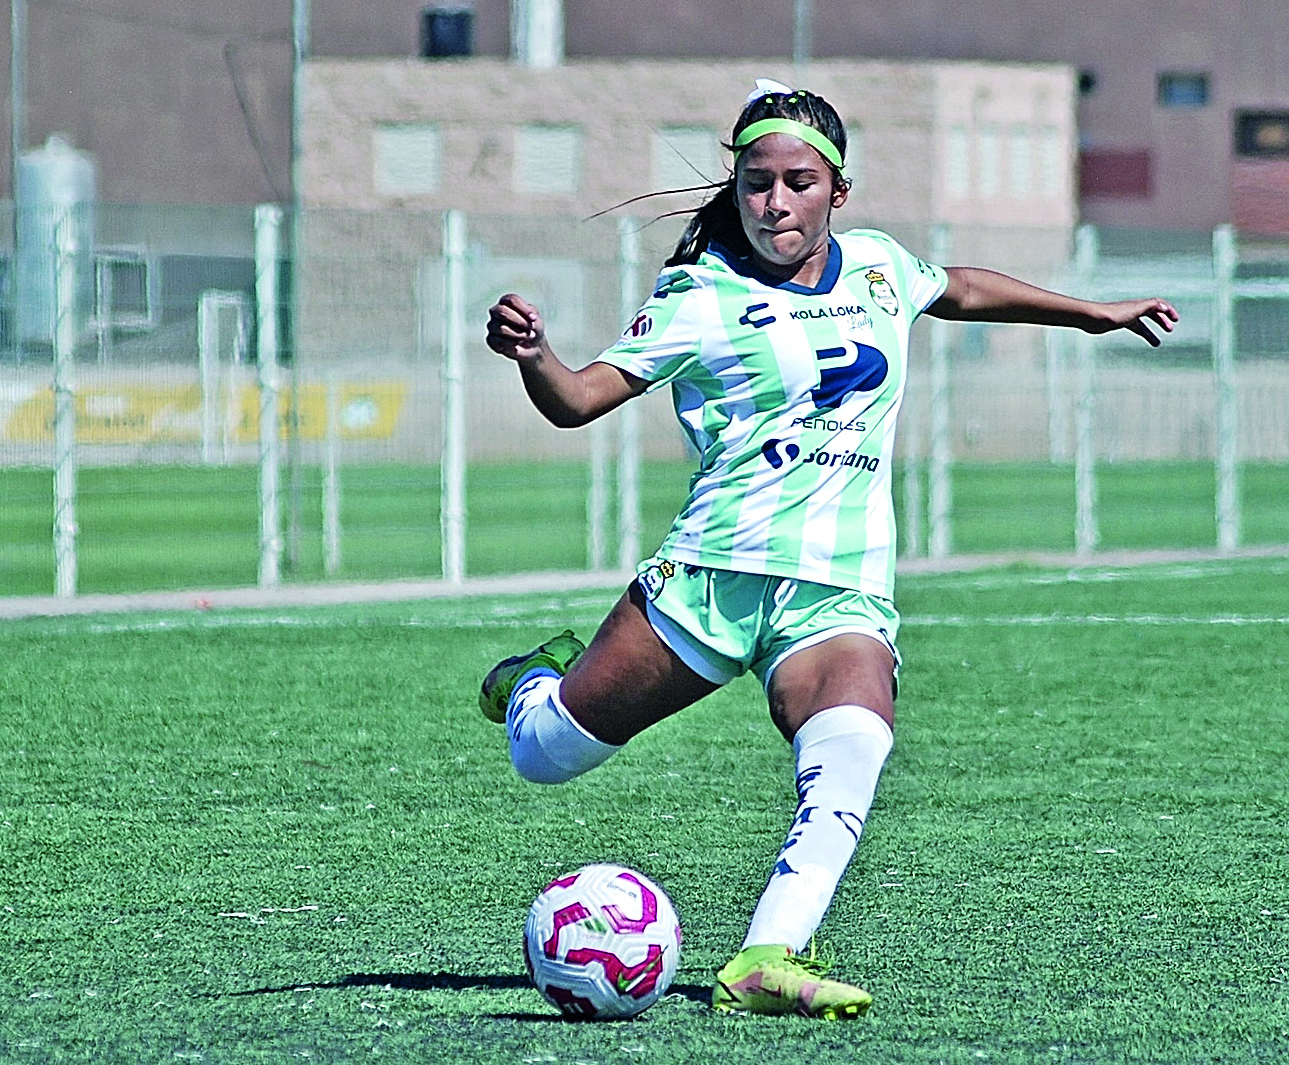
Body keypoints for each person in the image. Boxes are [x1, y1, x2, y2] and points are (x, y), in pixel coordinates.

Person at [480, 78, 1177, 1020]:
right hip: (714, 576)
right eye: (756, 182)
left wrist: (1088, 311)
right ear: (735, 188)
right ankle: (532, 678)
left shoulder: (881, 270)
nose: (774, 203)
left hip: (836, 590)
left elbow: (961, 286)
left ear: (836, 190)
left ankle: (766, 953)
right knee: (545, 752)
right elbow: (579, 401)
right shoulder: (700, 294)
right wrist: (535, 359)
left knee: (855, 742)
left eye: (798, 182)